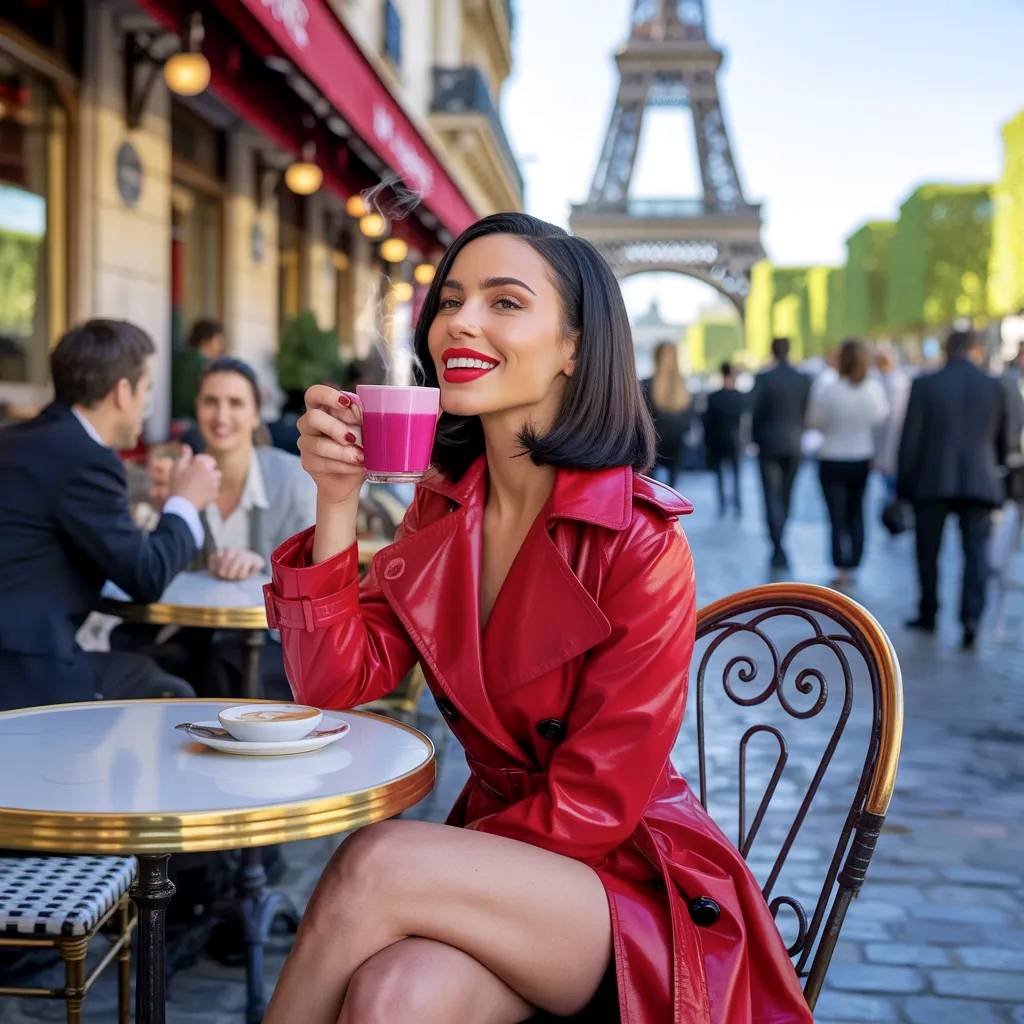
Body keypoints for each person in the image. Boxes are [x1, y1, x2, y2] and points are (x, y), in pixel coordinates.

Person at [262, 214, 812, 1023]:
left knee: (377, 858)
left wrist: (434, 867)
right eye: (449, 300)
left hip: (618, 885)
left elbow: (597, 804)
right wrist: (336, 503)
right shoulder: (443, 504)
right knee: (393, 995)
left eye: (504, 301)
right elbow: (336, 681)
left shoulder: (640, 542)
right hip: (491, 866)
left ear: (575, 348)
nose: (461, 321)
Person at [0, 319, 221, 711]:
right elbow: (146, 576)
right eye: (146, 391)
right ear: (123, 392)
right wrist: (187, 501)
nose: (145, 407)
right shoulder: (84, 459)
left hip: (18, 658)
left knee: (155, 664)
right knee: (173, 693)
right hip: (24, 676)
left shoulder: (18, 440)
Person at [897, 329, 1011, 649]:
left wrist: (903, 486)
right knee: (976, 554)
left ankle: (928, 611)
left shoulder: (925, 385)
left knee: (927, 552)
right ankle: (971, 617)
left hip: (932, 480)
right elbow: (1005, 438)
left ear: (947, 350)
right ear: (975, 350)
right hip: (980, 479)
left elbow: (911, 440)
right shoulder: (994, 385)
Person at [807, 339, 889, 588]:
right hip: (861, 456)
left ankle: (840, 563)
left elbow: (814, 422)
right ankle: (855, 558)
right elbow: (881, 417)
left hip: (832, 456)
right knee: (857, 511)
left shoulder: (828, 390)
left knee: (836, 514)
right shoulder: (873, 390)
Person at [751, 336, 811, 569]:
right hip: (794, 443)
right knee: (786, 495)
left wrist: (754, 439)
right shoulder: (803, 379)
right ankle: (780, 539)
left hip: (768, 444)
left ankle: (777, 545)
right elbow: (806, 409)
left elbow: (755, 412)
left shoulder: (764, 377)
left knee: (770, 496)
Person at [640, 339, 693, 486]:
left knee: (651, 486)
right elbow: (689, 418)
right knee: (673, 487)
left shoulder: (646, 385)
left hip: (654, 443)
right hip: (677, 443)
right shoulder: (683, 386)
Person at [703, 360, 746, 516]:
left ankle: (722, 503)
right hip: (735, 439)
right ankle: (737, 501)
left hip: (717, 439)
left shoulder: (713, 397)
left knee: (719, 473)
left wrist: (706, 442)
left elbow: (707, 422)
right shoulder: (740, 397)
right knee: (736, 473)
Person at [873, 347, 911, 497]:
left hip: (891, 448)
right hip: (890, 449)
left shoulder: (894, 383)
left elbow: (890, 421)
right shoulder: (894, 381)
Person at [171, 318, 225, 420]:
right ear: (209, 340)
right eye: (219, 340)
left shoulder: (182, 358)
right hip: (191, 421)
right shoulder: (202, 364)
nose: (221, 346)